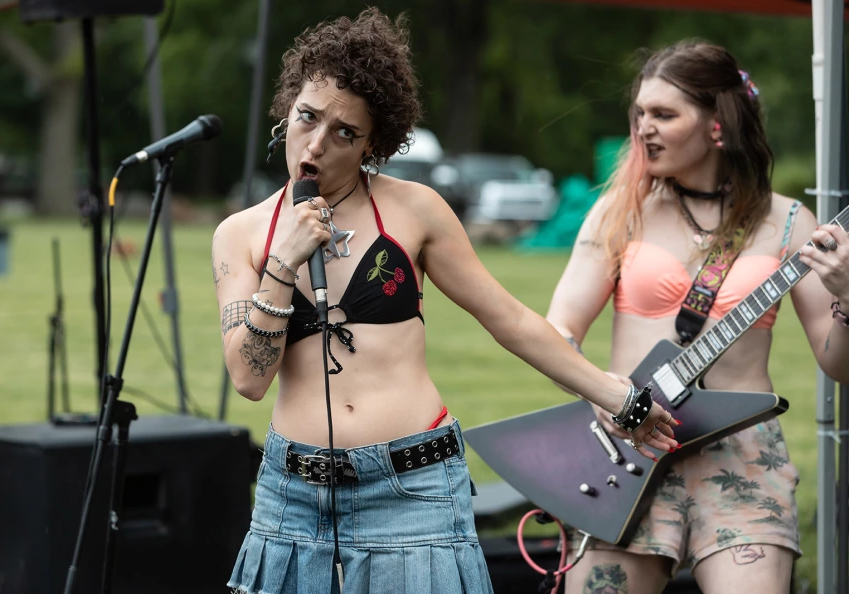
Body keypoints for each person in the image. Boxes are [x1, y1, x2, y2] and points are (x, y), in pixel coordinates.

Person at [212, 8, 678, 594]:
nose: (318, 144)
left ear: (373, 144)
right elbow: (249, 379)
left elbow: (507, 318)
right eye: (308, 118)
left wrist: (619, 397)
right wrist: (283, 262)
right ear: (287, 111)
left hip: (412, 489)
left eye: (345, 133)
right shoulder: (239, 234)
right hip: (293, 497)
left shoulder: (416, 210)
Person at [545, 40, 849, 594]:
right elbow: (559, 329)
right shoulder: (621, 209)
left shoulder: (789, 224)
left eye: (663, 114)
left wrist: (848, 297)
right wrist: (605, 399)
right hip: (626, 447)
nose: (643, 129)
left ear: (717, 124)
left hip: (744, 458)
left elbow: (839, 364)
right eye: (639, 113)